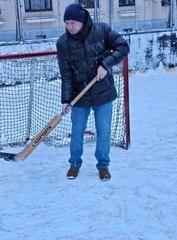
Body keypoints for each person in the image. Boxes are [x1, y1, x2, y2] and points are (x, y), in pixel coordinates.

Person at [56, 3, 130, 181]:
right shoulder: (63, 43)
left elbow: (123, 47)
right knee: (77, 131)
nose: (70, 27)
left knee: (104, 131)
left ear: (82, 21)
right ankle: (74, 163)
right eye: (67, 23)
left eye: (73, 22)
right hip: (79, 95)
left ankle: (103, 165)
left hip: (103, 92)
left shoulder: (101, 30)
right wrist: (66, 99)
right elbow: (66, 74)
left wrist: (105, 64)